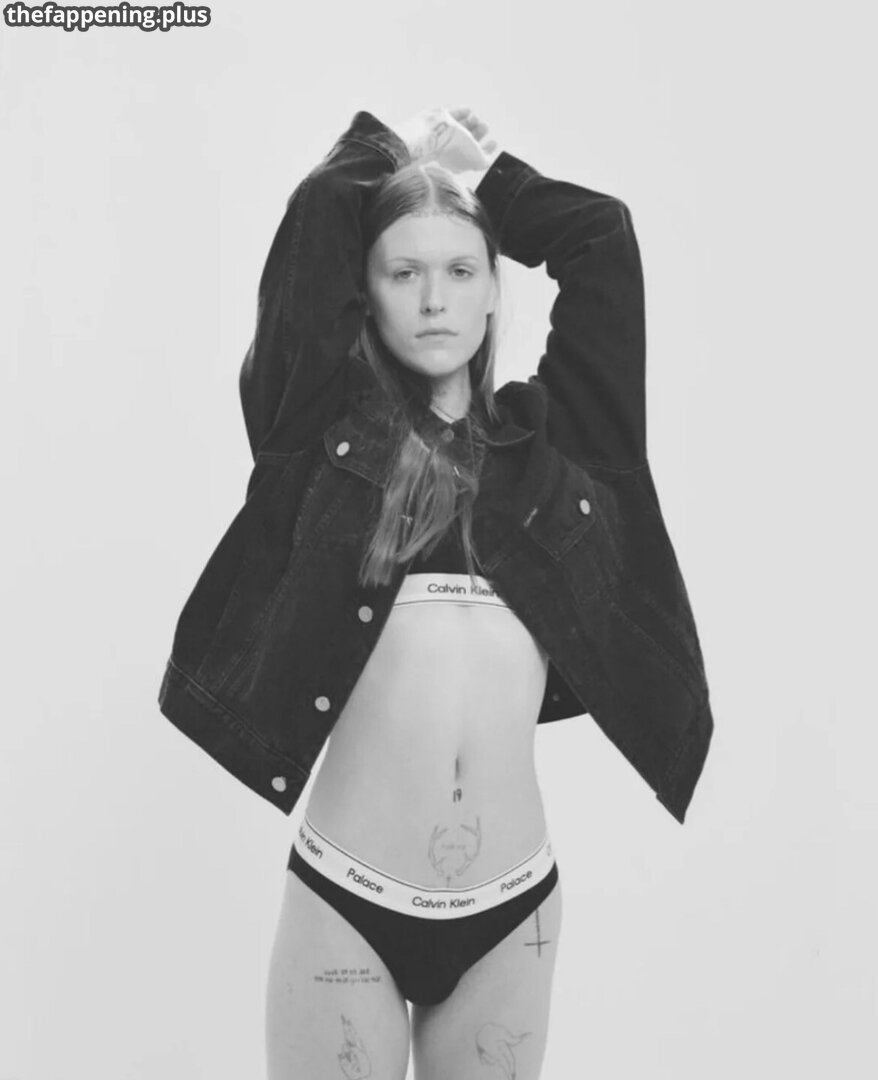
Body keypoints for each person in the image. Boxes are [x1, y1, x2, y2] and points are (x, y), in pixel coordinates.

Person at [157, 106, 714, 1080]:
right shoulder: (320, 436)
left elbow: (602, 239)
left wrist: (487, 176)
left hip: (511, 911)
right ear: (364, 294)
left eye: (460, 271)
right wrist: (389, 157)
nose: (432, 300)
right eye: (401, 273)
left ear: (495, 290)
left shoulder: (560, 451)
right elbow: (311, 237)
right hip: (348, 900)